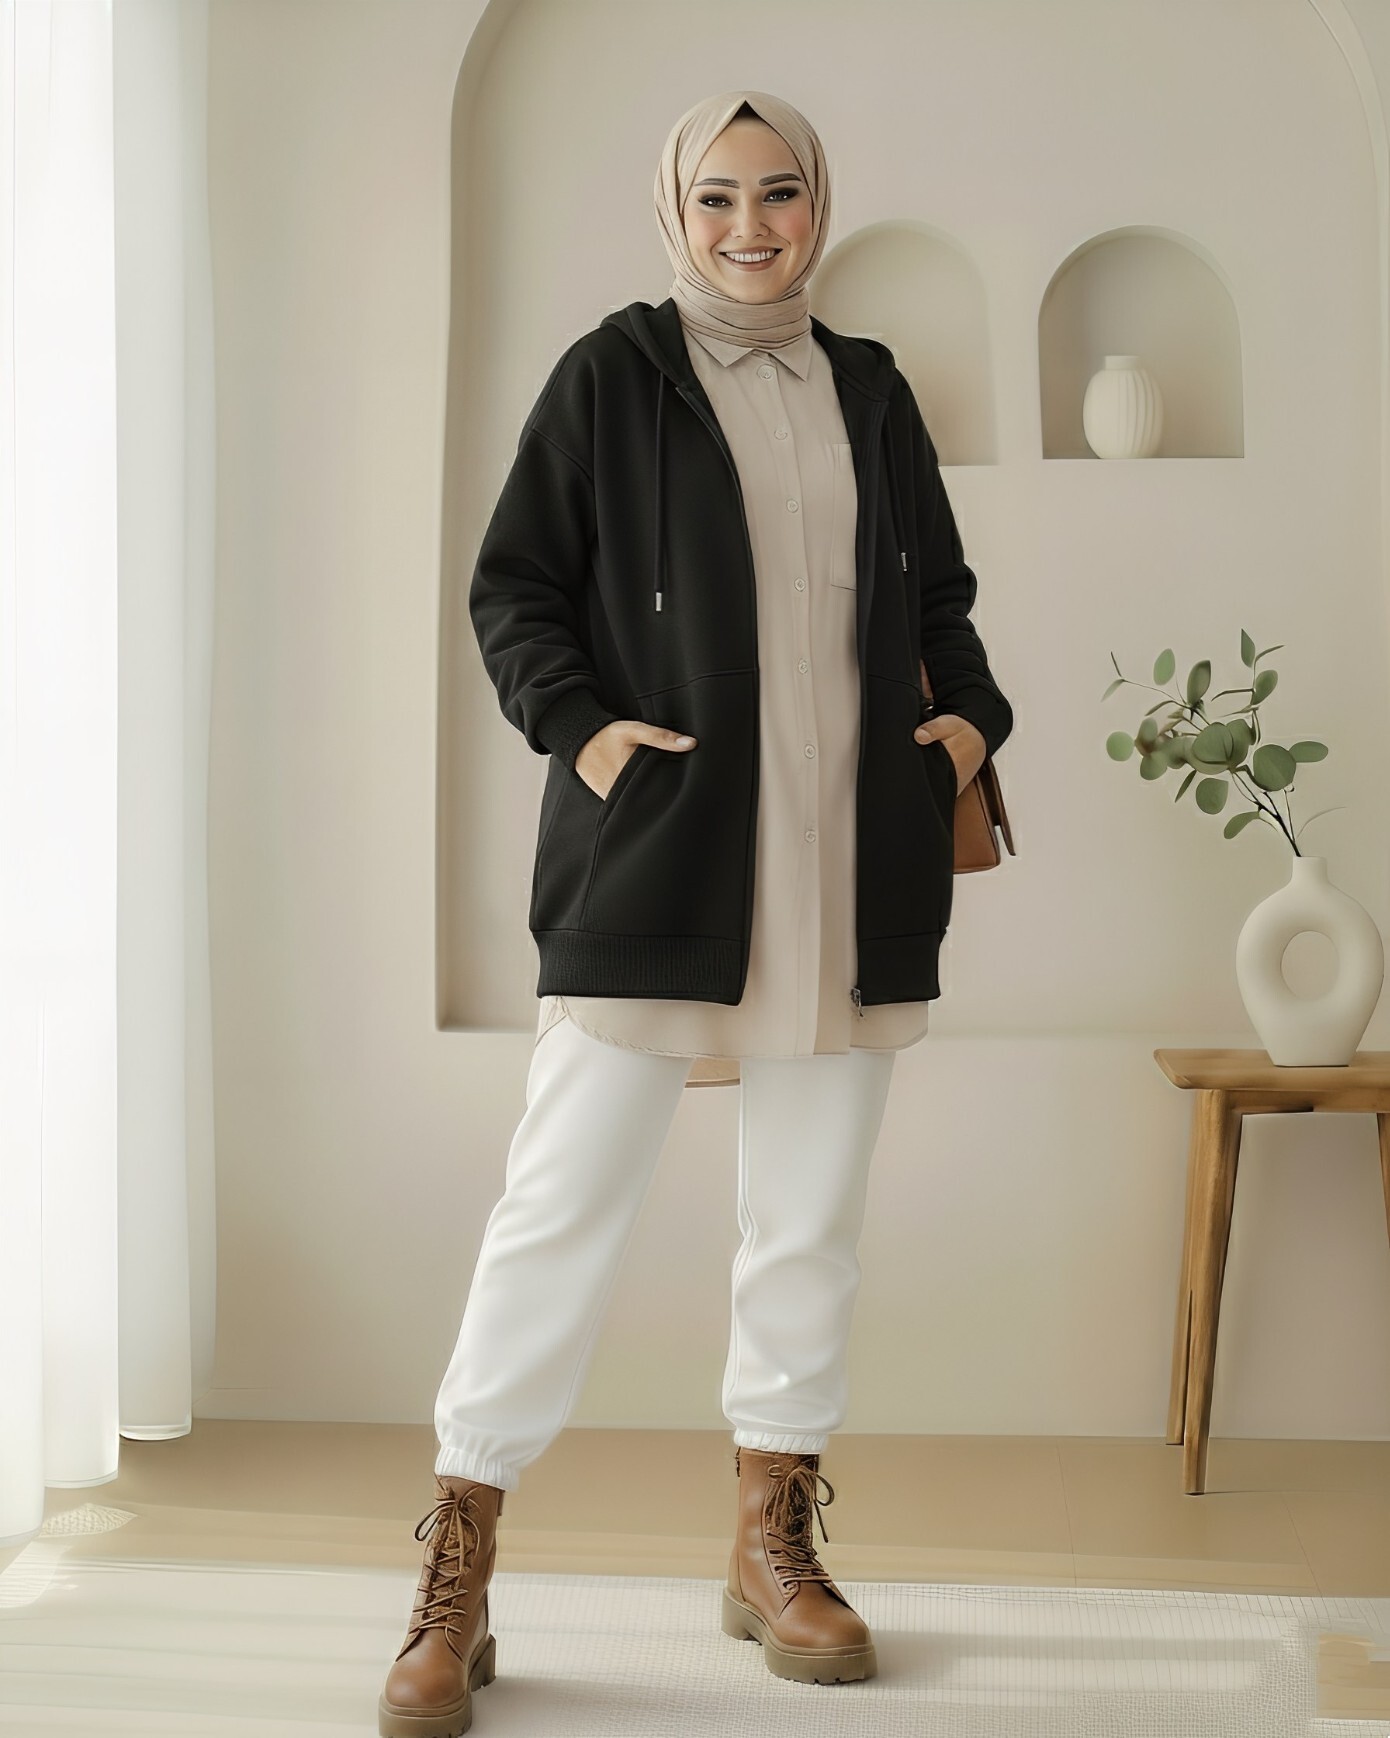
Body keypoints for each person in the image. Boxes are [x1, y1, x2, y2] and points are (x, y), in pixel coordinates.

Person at [378, 89, 1013, 1737]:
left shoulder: (869, 387)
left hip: (846, 862)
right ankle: (458, 1560)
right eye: (717, 195)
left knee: (804, 1219)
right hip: (660, 858)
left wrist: (965, 723)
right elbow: (513, 586)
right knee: (558, 1208)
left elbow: (938, 597)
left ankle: (768, 1539)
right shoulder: (610, 374)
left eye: (778, 192)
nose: (750, 226)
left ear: (817, 205)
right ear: (676, 208)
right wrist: (586, 733)